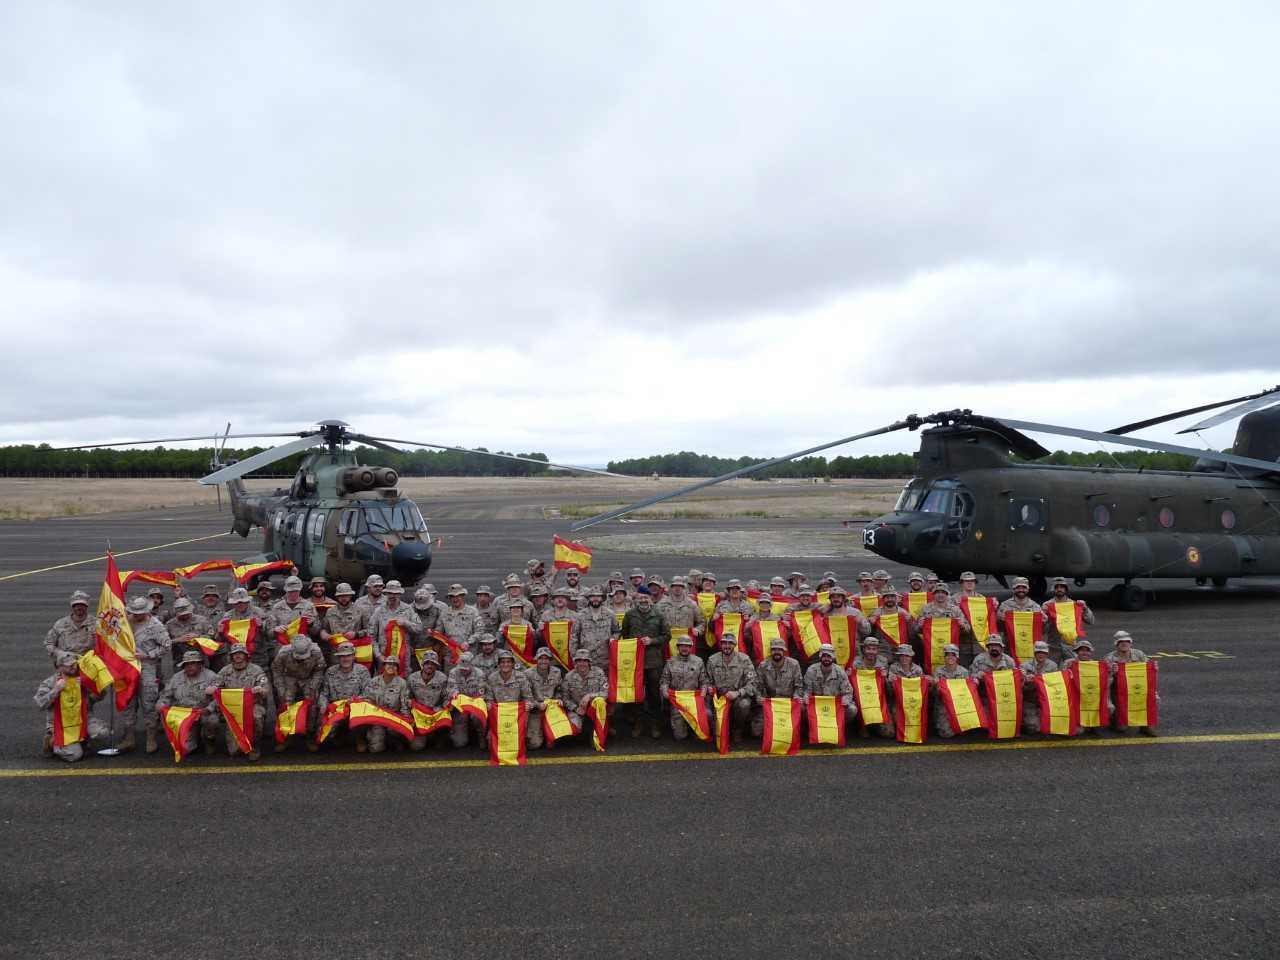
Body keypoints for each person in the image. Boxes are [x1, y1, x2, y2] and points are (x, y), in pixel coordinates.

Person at [120, 595, 172, 754]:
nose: (136, 616)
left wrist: (148, 654)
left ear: (146, 611)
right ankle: (129, 737)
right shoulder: (125, 622)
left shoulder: (155, 626)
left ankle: (151, 738)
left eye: (139, 613)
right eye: (134, 613)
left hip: (147, 668)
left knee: (149, 703)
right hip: (126, 667)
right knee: (128, 702)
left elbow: (167, 646)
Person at [34, 651, 106, 762]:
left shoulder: (82, 678)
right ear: (59, 667)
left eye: (74, 664)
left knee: (102, 732)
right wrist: (56, 690)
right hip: (60, 724)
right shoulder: (50, 683)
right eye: (68, 665)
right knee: (75, 755)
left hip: (83, 719)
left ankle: (81, 741)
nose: (73, 667)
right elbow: (40, 704)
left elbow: (100, 696)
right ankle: (51, 742)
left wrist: (89, 685)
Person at [620, 590, 671, 739]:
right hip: (635, 661)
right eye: (641, 597)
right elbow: (625, 634)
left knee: (653, 693)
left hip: (653, 661)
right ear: (636, 599)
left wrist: (652, 641)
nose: (643, 599)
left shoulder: (659, 614)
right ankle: (638, 722)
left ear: (650, 599)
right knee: (636, 694)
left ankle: (655, 724)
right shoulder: (630, 615)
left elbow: (667, 636)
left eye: (646, 597)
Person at [209, 644, 269, 760]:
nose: (238, 656)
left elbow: (265, 689)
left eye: (240, 653)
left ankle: (254, 746)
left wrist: (261, 689)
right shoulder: (225, 671)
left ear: (246, 656)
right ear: (231, 656)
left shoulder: (256, 670)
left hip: (252, 705)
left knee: (256, 716)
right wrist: (212, 689)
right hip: (231, 707)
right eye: (235, 654)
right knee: (234, 751)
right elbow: (215, 685)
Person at [157, 650, 221, 756]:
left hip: (203, 712)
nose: (189, 667)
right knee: (186, 749)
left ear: (200, 665)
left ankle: (209, 740)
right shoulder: (176, 678)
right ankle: (194, 738)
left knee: (212, 721)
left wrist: (209, 708)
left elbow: (219, 698)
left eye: (193, 663)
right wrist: (161, 704)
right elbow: (166, 695)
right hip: (184, 716)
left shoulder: (211, 676)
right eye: (186, 664)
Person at [271, 636, 325, 750]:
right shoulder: (283, 653)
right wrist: (281, 688)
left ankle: (310, 735)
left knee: (312, 703)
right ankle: (285, 736)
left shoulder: (316, 652)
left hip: (308, 677)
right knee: (285, 703)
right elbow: (276, 670)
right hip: (289, 676)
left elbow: (319, 670)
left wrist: (314, 685)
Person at [318, 641, 372, 751]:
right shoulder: (330, 672)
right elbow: (324, 693)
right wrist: (323, 706)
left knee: (364, 710)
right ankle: (339, 735)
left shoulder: (362, 671)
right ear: (338, 657)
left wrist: (355, 701)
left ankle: (360, 738)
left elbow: (368, 694)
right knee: (325, 736)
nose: (345, 659)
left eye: (348, 655)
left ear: (353, 656)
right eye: (342, 656)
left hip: (355, 708)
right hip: (337, 710)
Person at [705, 633, 756, 744]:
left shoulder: (744, 659)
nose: (727, 646)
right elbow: (707, 679)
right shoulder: (712, 660)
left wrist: (738, 693)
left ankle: (737, 730)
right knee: (707, 712)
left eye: (730, 643)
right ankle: (716, 729)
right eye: (724, 643)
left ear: (735, 645)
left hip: (737, 696)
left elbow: (753, 683)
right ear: (721, 644)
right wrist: (709, 687)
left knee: (744, 705)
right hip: (718, 698)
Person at [1104, 630, 1157, 736]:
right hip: (1118, 691)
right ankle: (1113, 719)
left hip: (1138, 688)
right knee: (1121, 728)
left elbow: (1149, 675)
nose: (1124, 643)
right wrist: (1111, 673)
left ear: (1131, 643)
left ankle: (1145, 726)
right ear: (1116, 644)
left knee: (1150, 700)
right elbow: (1105, 682)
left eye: (1127, 641)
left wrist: (1154, 668)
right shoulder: (1109, 658)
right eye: (1121, 642)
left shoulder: (1139, 654)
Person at [658, 635, 709, 741]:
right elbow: (664, 680)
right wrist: (665, 691)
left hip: (694, 701)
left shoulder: (698, 661)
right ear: (678, 647)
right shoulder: (670, 662)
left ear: (691, 647)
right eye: (682, 646)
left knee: (707, 716)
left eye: (687, 646)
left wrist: (703, 693)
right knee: (680, 736)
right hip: (678, 702)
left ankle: (694, 728)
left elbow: (704, 681)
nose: (684, 648)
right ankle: (685, 726)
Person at [750, 637, 803, 737]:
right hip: (770, 704)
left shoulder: (794, 664)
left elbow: (799, 686)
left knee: (801, 711)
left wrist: (797, 696)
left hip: (789, 703)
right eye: (774, 649)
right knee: (757, 732)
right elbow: (757, 686)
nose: (777, 652)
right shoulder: (763, 665)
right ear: (771, 651)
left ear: (784, 651)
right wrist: (758, 697)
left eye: (779, 649)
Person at [367, 580, 422, 670]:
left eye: (396, 593)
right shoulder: (379, 611)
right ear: (386, 593)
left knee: (403, 677)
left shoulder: (408, 609)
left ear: (400, 594)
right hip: (384, 657)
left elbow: (419, 628)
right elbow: (371, 636)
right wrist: (378, 655)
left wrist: (406, 623)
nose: (393, 596)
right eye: (390, 593)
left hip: (403, 657)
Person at [363, 656, 411, 754]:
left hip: (394, 717)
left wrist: (406, 721)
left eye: (394, 665)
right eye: (389, 664)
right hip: (378, 717)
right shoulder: (374, 681)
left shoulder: (402, 683)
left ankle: (396, 740)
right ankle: (378, 738)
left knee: (393, 732)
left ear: (397, 668)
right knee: (376, 749)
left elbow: (404, 704)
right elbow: (367, 699)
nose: (391, 666)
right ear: (384, 666)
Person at [802, 644, 857, 728]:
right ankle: (810, 727)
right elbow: (806, 690)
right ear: (820, 656)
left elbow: (847, 692)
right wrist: (806, 697)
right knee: (801, 707)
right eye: (824, 656)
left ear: (833, 657)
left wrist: (845, 700)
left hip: (835, 707)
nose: (826, 659)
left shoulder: (840, 671)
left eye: (829, 656)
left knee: (852, 710)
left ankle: (840, 727)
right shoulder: (811, 670)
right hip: (817, 706)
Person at [1042, 577, 1095, 662]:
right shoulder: (1047, 605)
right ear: (1053, 589)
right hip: (1053, 645)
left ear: (1066, 589)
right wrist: (1044, 617)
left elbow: (1090, 621)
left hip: (1070, 645)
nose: (1059, 589)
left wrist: (1085, 608)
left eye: (1062, 587)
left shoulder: (1073, 604)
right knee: (1052, 669)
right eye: (1057, 587)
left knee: (1073, 668)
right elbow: (1042, 631)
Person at [562, 649, 610, 740]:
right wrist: (576, 709)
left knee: (600, 702)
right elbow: (565, 699)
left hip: (595, 709)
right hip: (578, 709)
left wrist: (589, 696)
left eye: (585, 661)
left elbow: (606, 693)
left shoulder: (598, 673)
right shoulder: (569, 676)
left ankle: (599, 731)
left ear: (589, 662)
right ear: (575, 662)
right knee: (572, 730)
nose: (582, 663)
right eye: (579, 660)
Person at [446, 652, 490, 749]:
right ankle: (457, 732)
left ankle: (481, 735)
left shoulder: (480, 674)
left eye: (465, 669)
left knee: (477, 716)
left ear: (472, 666)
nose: (463, 671)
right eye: (461, 668)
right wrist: (454, 693)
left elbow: (481, 694)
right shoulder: (454, 672)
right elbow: (451, 688)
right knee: (459, 743)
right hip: (460, 706)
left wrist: (471, 703)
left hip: (475, 704)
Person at [408, 650, 449, 751]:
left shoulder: (442, 678)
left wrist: (444, 706)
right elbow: (407, 697)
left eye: (433, 664)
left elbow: (446, 697)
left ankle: (438, 737)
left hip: (435, 712)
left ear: (436, 665)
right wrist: (410, 707)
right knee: (417, 747)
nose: (430, 666)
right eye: (427, 663)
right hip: (419, 715)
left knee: (446, 721)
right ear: (422, 664)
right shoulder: (412, 678)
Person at [525, 647, 563, 750]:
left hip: (552, 709)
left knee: (558, 739)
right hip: (535, 710)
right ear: (536, 659)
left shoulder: (556, 672)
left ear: (550, 660)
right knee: (533, 744)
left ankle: (550, 736)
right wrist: (537, 704)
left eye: (546, 658)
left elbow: (559, 689)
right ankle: (541, 734)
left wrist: (559, 699)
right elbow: (526, 695)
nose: (543, 661)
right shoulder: (528, 674)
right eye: (541, 658)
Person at [320, 583, 368, 663]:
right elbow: (324, 629)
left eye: (346, 595)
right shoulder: (330, 611)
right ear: (337, 597)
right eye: (341, 596)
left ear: (351, 595)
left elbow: (369, 630)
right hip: (336, 652)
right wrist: (324, 634)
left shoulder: (360, 610)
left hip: (354, 651)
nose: (344, 598)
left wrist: (356, 634)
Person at [1019, 640, 1060, 733]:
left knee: (1054, 724)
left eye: (1043, 653)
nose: (1041, 655)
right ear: (1034, 653)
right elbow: (1019, 688)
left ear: (1047, 654)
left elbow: (1057, 685)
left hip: (1048, 701)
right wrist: (1026, 681)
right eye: (1038, 652)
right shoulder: (1024, 666)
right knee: (1033, 727)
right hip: (1030, 701)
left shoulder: (1053, 666)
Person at [44, 590, 95, 664]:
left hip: (90, 662)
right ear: (72, 607)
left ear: (87, 606)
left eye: (82, 605)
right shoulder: (60, 624)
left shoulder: (96, 623)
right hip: (66, 663)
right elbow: (49, 643)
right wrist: (59, 654)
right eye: (76, 605)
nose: (79, 608)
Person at [930, 644, 970, 739]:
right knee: (946, 734)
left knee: (963, 731)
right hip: (943, 704)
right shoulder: (938, 671)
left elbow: (967, 692)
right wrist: (935, 685)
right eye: (947, 655)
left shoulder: (964, 672)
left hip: (959, 704)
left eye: (953, 655)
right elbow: (934, 694)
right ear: (944, 657)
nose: (950, 657)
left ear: (957, 657)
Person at [575, 584, 619, 669]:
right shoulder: (580, 615)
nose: (595, 599)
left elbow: (617, 631)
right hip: (585, 659)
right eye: (592, 596)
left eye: (598, 596)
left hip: (605, 657)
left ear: (602, 598)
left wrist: (613, 639)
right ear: (588, 598)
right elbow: (574, 637)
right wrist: (575, 656)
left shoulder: (610, 614)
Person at [166, 597, 214, 671]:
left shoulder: (202, 620)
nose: (185, 616)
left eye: (187, 614)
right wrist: (178, 640)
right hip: (180, 661)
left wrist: (198, 637)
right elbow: (164, 643)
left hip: (201, 661)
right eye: (182, 615)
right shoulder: (170, 624)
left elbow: (212, 638)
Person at [440, 584, 481, 653]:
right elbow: (439, 632)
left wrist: (468, 642)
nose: (455, 599)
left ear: (463, 596)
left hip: (468, 653)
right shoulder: (444, 613)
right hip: (450, 653)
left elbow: (480, 631)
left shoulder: (473, 611)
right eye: (452, 596)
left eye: (458, 596)